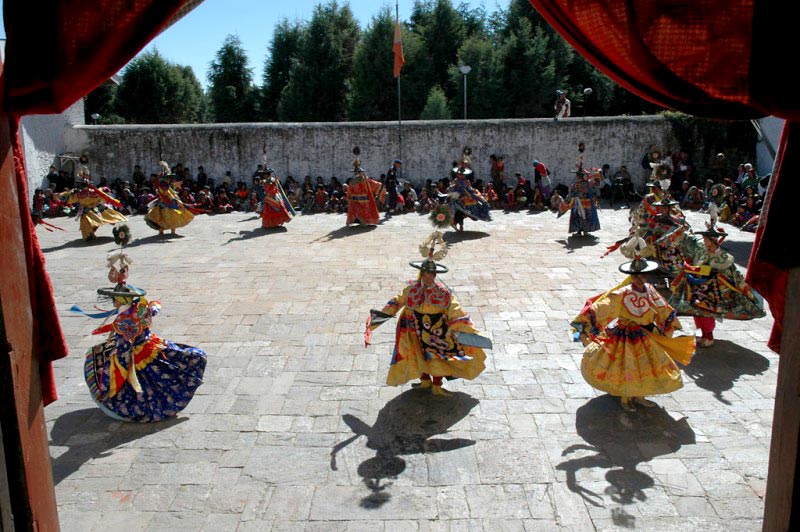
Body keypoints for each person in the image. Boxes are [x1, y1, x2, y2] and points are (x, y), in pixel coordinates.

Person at [75, 236, 207, 421]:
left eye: (115, 298)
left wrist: (109, 384)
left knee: (139, 385)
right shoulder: (142, 307)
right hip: (153, 346)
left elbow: (123, 353)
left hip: (138, 354)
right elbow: (155, 307)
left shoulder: (123, 321)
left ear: (120, 300)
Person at [572, 237, 695, 411]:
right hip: (624, 335)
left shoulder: (650, 290)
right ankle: (625, 397)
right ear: (631, 276)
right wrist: (585, 320)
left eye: (642, 276)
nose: (639, 279)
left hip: (645, 334)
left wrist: (670, 320)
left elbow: (662, 307)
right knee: (627, 366)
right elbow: (604, 306)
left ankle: (639, 395)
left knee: (646, 366)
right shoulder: (622, 293)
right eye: (635, 276)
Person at [365, 231, 489, 397]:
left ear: (435, 275)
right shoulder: (412, 289)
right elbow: (397, 301)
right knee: (416, 355)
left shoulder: (443, 292)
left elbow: (455, 309)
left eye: (432, 274)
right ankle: (425, 381)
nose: (429, 277)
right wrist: (377, 318)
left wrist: (465, 327)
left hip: (437, 329)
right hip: (414, 328)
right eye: (426, 274)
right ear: (421, 274)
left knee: (436, 357)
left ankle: (437, 385)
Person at [670, 225, 765, 347]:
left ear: (712, 240)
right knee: (698, 312)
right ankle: (704, 335)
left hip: (715, 290)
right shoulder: (704, 252)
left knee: (706, 313)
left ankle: (709, 337)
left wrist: (693, 269)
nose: (704, 242)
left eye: (706, 240)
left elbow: (710, 270)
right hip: (701, 287)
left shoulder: (723, 256)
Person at [60, 178, 128, 241]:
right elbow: (102, 194)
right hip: (97, 208)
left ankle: (90, 234)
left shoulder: (78, 194)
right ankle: (117, 228)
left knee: (87, 223)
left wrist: (70, 193)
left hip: (87, 210)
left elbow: (67, 198)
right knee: (108, 217)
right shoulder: (94, 191)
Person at [446, 148, 492, 231]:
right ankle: (456, 222)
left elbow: (469, 189)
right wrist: (452, 187)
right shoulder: (456, 181)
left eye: (462, 174)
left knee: (476, 197)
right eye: (460, 174)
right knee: (454, 206)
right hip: (458, 195)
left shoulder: (466, 181)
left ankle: (484, 203)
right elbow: (451, 188)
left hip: (466, 194)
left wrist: (472, 190)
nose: (461, 175)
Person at [144, 162, 195, 236]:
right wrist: (176, 201)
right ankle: (164, 231)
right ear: (165, 179)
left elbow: (171, 191)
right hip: (165, 203)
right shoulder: (164, 186)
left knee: (169, 217)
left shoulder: (166, 185)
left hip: (166, 203)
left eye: (170, 178)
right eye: (168, 178)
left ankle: (167, 232)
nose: (170, 179)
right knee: (164, 218)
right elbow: (169, 194)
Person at [346, 147, 384, 226]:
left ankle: (364, 222)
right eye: (355, 172)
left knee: (362, 211)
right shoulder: (353, 180)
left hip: (363, 199)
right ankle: (358, 221)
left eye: (357, 172)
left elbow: (373, 184)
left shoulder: (364, 180)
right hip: (355, 199)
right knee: (355, 210)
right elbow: (350, 188)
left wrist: (379, 186)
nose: (356, 173)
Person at [559, 169, 600, 237]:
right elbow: (596, 186)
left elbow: (571, 193)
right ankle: (585, 231)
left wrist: (566, 202)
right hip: (585, 204)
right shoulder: (588, 183)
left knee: (579, 216)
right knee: (585, 216)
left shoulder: (577, 184)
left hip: (580, 203)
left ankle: (579, 231)